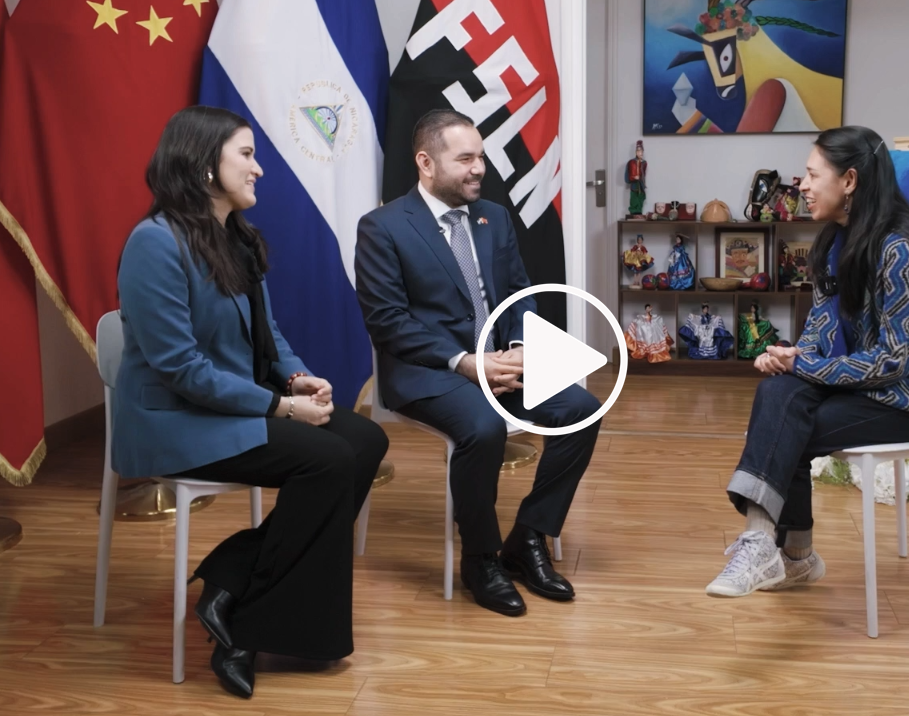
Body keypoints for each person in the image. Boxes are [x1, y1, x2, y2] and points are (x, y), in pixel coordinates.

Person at [113, 106, 389, 698]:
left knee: (365, 439)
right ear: (203, 165)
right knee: (328, 460)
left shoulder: (233, 237)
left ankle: (230, 580)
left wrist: (297, 378)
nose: (258, 168)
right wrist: (280, 408)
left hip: (228, 406)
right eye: (246, 154)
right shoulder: (153, 244)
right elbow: (181, 368)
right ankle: (245, 624)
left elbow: (268, 332)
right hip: (172, 420)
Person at [354, 109, 601, 617]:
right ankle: (481, 559)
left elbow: (519, 294)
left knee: (580, 410)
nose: (479, 168)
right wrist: (464, 361)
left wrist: (522, 345)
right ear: (426, 163)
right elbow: (387, 322)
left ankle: (528, 538)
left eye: (481, 157)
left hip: (501, 363)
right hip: (428, 372)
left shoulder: (494, 217)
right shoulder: (382, 227)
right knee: (484, 427)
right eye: (465, 158)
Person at [706, 125, 909, 598]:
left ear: (849, 181)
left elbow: (895, 362)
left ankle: (786, 553)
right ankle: (779, 552)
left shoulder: (902, 248)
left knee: (788, 424)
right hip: (867, 386)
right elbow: (822, 332)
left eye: (812, 175)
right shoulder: (833, 242)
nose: (802, 185)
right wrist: (791, 356)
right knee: (779, 392)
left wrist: (804, 367)